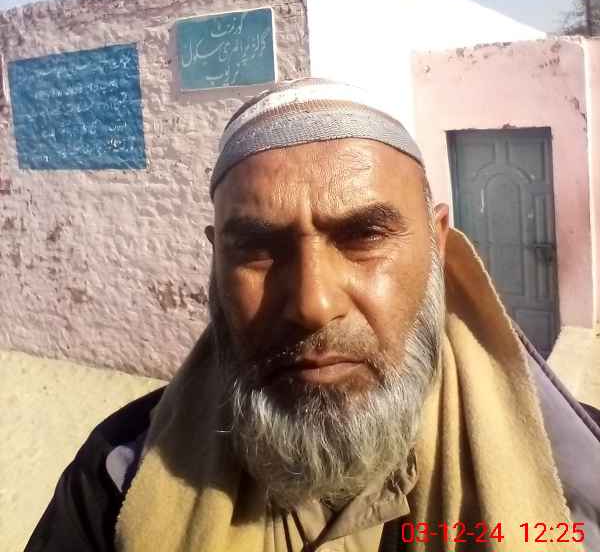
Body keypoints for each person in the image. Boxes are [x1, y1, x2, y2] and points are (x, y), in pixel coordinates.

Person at [26, 77, 600, 552]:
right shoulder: (121, 475)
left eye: (364, 236)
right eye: (257, 248)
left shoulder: (577, 473)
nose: (312, 304)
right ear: (217, 259)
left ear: (437, 242)